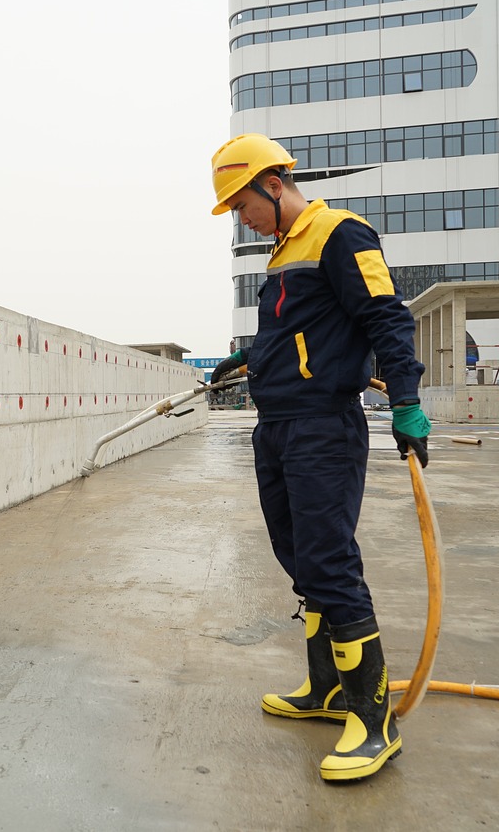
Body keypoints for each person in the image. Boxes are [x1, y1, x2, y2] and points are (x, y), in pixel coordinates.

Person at [206, 133, 431, 782]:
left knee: (329, 561)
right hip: (274, 426)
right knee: (300, 561)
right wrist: (248, 358)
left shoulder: (340, 233)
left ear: (273, 185)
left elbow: (385, 317)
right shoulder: (281, 254)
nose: (239, 218)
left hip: (321, 427)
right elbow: (295, 332)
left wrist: (407, 401)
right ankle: (328, 690)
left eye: (242, 203)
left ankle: (374, 716)